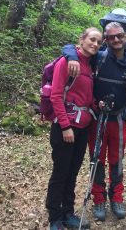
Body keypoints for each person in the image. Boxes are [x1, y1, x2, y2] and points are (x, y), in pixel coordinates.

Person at [62, 11, 126, 222]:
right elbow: (71, 48)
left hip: (119, 119)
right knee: (97, 159)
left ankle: (116, 198)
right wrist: (72, 57)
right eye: (110, 37)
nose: (115, 40)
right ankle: (99, 200)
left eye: (119, 36)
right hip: (96, 118)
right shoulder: (98, 57)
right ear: (105, 39)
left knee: (117, 160)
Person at [45, 27, 102, 230]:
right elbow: (56, 95)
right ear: (82, 39)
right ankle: (55, 218)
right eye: (92, 40)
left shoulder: (90, 65)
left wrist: (97, 104)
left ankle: (68, 212)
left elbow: (85, 97)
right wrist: (64, 126)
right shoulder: (67, 61)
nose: (95, 44)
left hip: (83, 127)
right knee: (60, 173)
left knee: (73, 172)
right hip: (66, 127)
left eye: (98, 42)